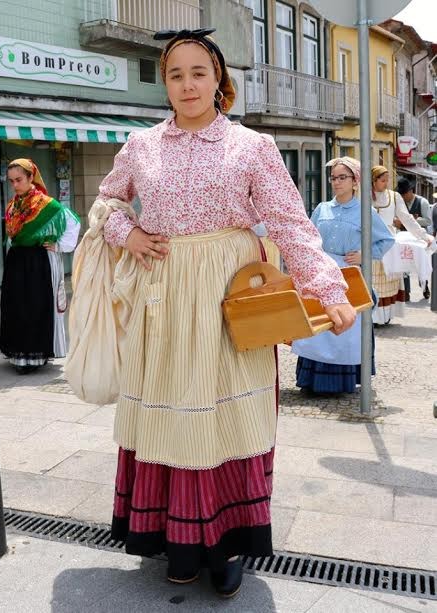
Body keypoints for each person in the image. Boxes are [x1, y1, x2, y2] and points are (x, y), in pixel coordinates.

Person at [76, 28, 355, 599]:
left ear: (218, 79)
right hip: (162, 297)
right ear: (165, 83)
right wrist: (128, 233)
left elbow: (290, 224)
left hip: (229, 298)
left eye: (198, 72)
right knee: (170, 412)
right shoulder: (141, 145)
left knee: (225, 415)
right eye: (175, 74)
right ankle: (173, 541)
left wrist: (329, 291)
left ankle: (227, 546)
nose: (187, 84)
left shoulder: (252, 146)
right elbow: (105, 204)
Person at [292, 157, 394, 394]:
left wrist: (364, 255)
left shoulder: (365, 212)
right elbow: (309, 238)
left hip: (349, 278)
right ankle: (311, 380)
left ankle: (340, 382)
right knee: (319, 326)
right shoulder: (322, 209)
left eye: (342, 177)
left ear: (355, 181)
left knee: (344, 328)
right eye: (333, 178)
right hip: (322, 274)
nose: (336, 182)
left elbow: (386, 240)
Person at [0, 158, 80, 373]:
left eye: (19, 180)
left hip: (39, 260)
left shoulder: (48, 205)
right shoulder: (13, 205)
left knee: (36, 306)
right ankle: (18, 354)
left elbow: (73, 223)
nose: (15, 185)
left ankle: (35, 356)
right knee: (15, 306)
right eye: (11, 181)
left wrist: (59, 245)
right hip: (17, 261)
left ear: (30, 177)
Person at [371, 166, 433, 323]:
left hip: (388, 243)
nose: (386, 183)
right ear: (373, 181)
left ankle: (384, 317)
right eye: (383, 180)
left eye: (387, 180)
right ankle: (371, 317)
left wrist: (423, 236)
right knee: (371, 281)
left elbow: (407, 219)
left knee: (386, 281)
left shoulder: (394, 197)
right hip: (368, 243)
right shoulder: (363, 196)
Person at [396, 177, 433, 299]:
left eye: (404, 193)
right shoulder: (400, 203)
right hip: (404, 237)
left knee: (421, 263)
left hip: (419, 239)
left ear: (411, 191)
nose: (403, 196)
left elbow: (428, 221)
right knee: (404, 263)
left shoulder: (422, 202)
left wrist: (414, 220)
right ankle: (406, 291)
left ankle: (424, 286)